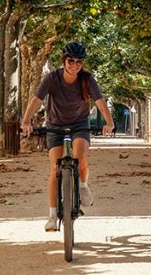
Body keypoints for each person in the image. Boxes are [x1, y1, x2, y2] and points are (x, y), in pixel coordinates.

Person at [21, 42, 114, 231]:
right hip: (55, 124)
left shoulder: (87, 79)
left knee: (81, 159)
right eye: (71, 60)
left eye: (79, 62)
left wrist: (109, 122)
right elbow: (37, 99)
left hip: (80, 124)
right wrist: (26, 121)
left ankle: (83, 184)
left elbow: (99, 101)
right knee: (55, 167)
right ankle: (52, 215)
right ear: (64, 61)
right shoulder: (52, 78)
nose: (75, 65)